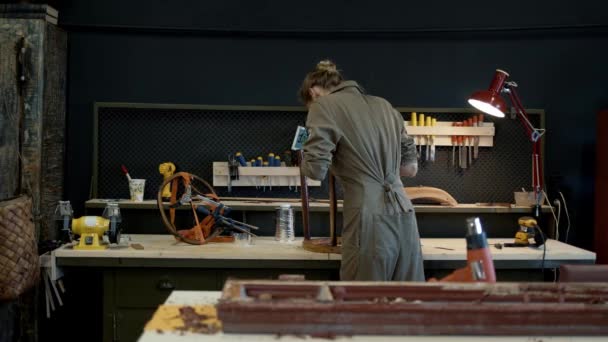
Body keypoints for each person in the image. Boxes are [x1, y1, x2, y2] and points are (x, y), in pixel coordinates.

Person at [299, 60, 424, 281]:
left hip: (368, 214)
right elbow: (409, 168)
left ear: (313, 93)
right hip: (404, 212)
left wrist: (305, 152)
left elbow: (315, 170)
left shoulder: (323, 106)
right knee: (406, 301)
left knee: (363, 299)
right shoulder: (385, 106)